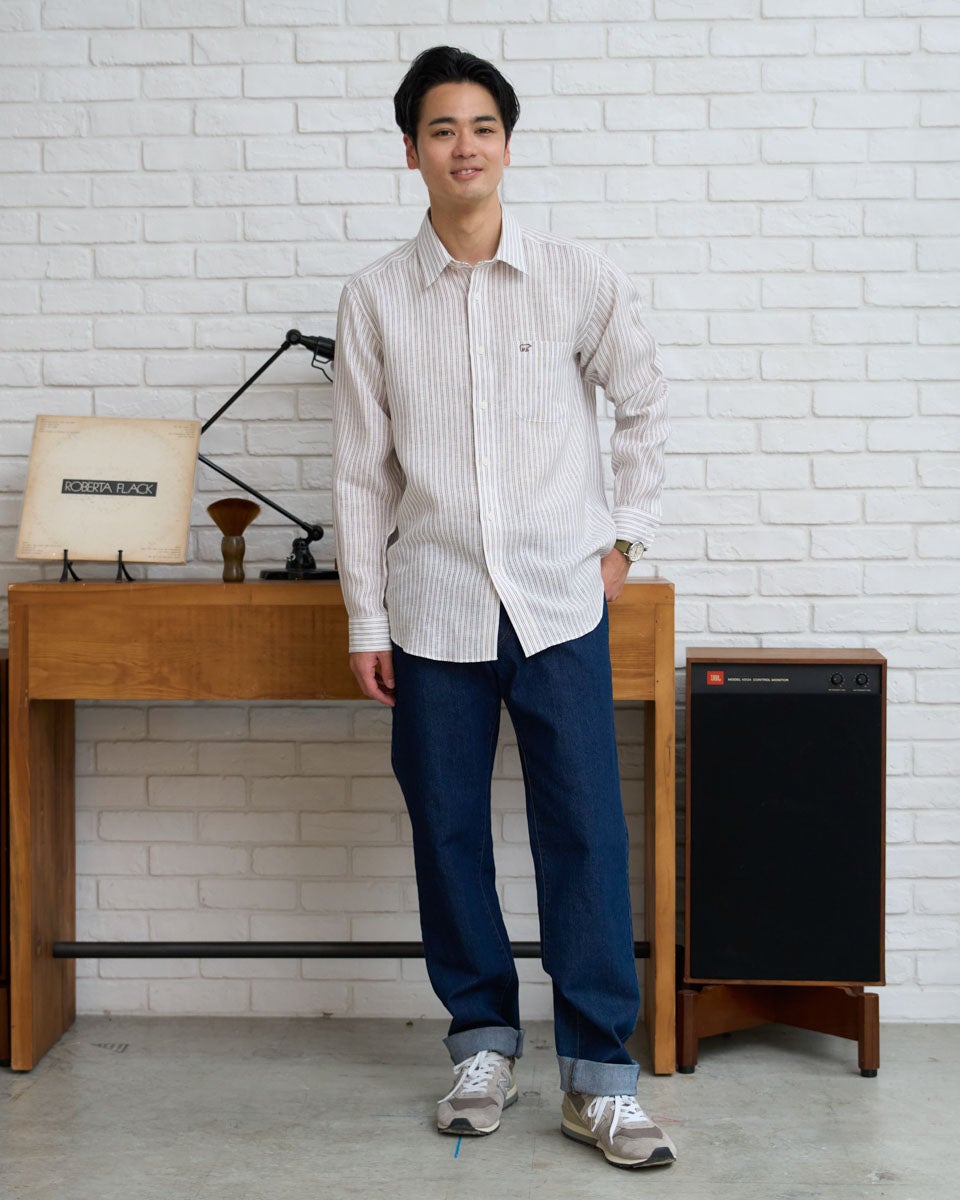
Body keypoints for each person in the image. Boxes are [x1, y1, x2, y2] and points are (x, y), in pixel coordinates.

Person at [332, 46, 674, 1170]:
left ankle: (600, 1079)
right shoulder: (376, 298)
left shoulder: (578, 277)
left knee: (585, 833)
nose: (464, 145)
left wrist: (625, 540)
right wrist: (366, 620)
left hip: (559, 605)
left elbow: (644, 404)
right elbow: (361, 475)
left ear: (508, 144)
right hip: (432, 610)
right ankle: (480, 1043)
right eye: (442, 128)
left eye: (482, 126)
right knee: (447, 832)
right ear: (412, 151)